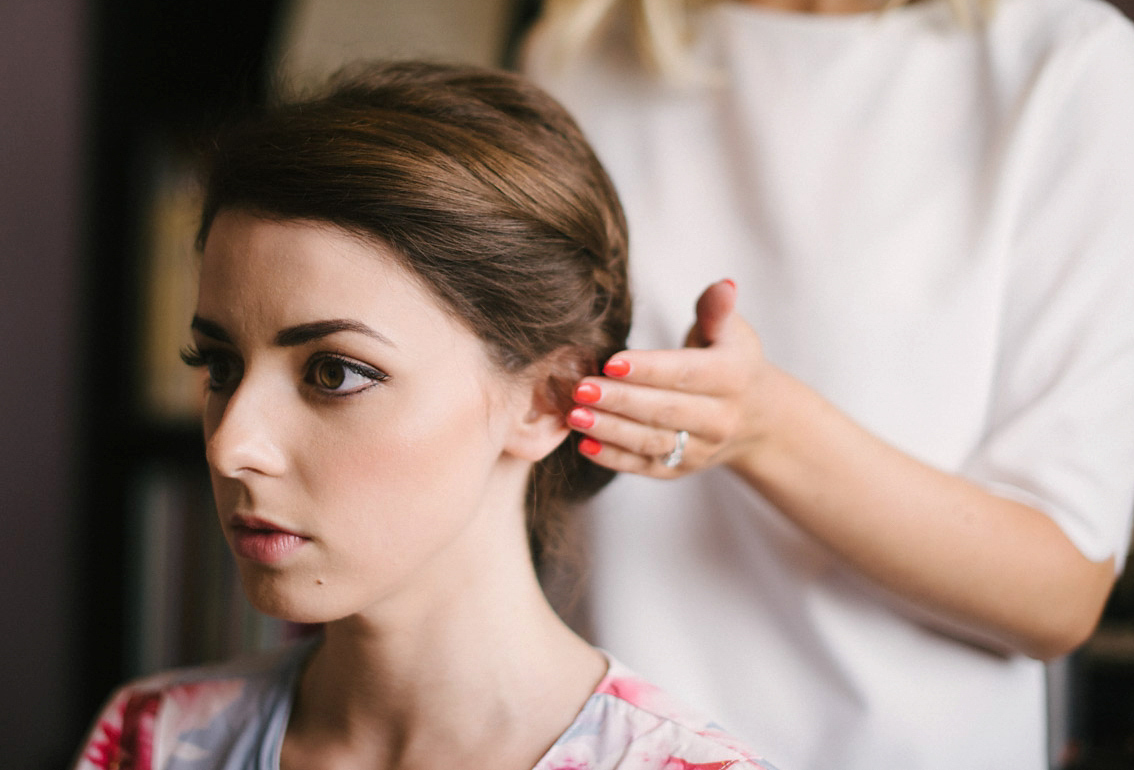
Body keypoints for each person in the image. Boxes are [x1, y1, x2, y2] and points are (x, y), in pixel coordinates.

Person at [516, 0, 1134, 767]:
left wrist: (764, 425)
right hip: (598, 746)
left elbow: (1057, 594)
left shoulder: (1064, 65)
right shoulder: (573, 53)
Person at [72, 62, 779, 770]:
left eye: (334, 372)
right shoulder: (150, 740)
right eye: (221, 366)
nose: (230, 445)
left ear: (546, 398)